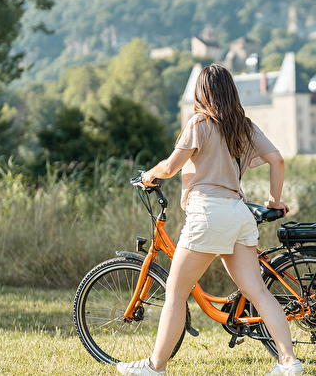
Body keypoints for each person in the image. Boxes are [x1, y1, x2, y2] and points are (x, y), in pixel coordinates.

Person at [117, 64, 303, 376]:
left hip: (208, 213)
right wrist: (273, 200)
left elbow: (171, 166)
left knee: (176, 293)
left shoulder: (199, 123)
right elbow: (277, 160)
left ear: (202, 93)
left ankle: (155, 366)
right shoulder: (243, 126)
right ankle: (288, 362)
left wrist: (149, 174)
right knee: (258, 291)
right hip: (239, 213)